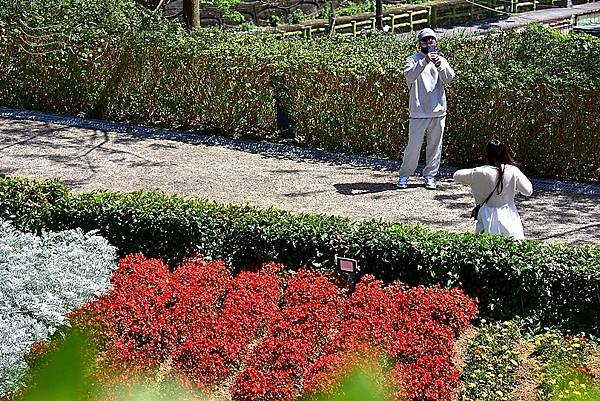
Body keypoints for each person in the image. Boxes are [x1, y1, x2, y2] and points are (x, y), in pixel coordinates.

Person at [397, 27, 455, 190]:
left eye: (431, 40)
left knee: (435, 147)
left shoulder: (441, 60)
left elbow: (449, 78)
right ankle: (404, 175)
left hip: (438, 110)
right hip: (418, 111)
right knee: (413, 147)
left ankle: (430, 176)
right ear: (419, 44)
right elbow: (409, 76)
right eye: (424, 40)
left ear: (435, 42)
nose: (428, 43)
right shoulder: (412, 60)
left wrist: (439, 66)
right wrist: (425, 61)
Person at [453, 139, 533, 240]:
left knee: (485, 247)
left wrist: (477, 171)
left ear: (487, 154)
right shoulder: (512, 171)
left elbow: (456, 175)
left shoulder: (479, 172)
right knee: (513, 245)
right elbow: (528, 191)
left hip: (486, 214)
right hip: (509, 215)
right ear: (504, 153)